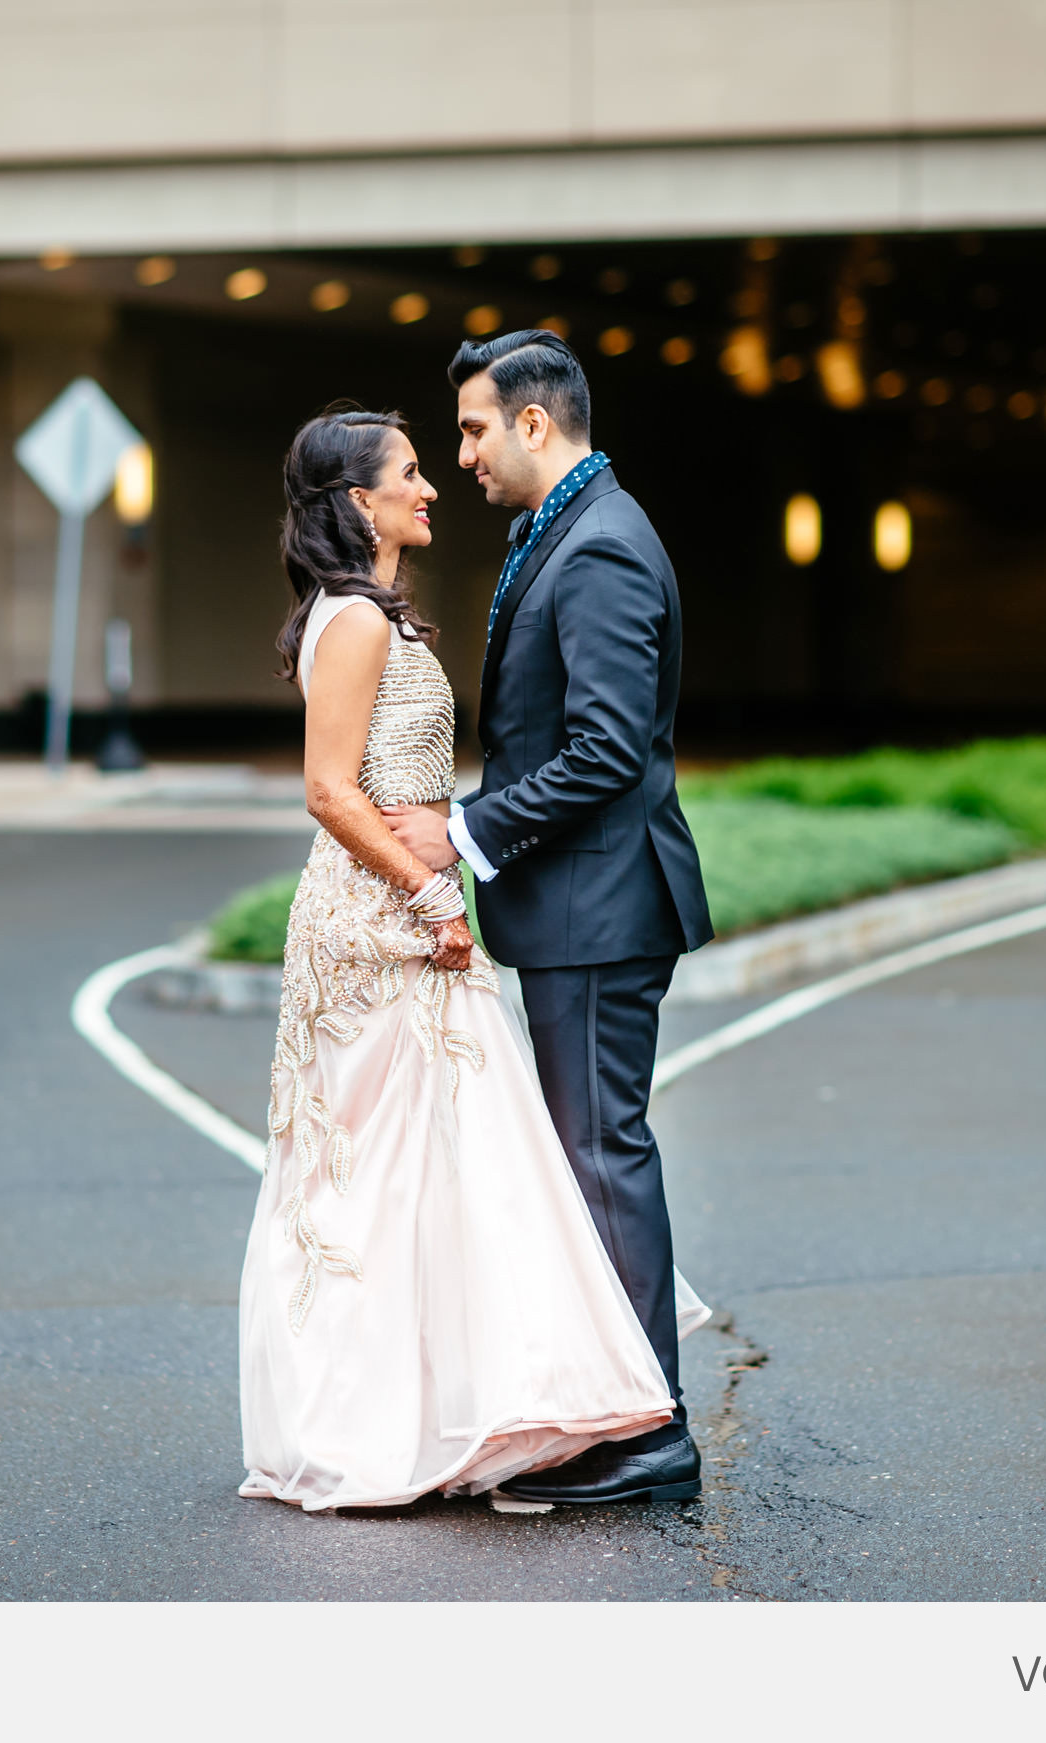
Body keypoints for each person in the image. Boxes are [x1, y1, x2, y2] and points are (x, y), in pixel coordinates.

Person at [237, 403, 706, 1512]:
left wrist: (443, 869)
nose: (435, 481)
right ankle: (378, 1422)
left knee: (438, 1178)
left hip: (413, 918)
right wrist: (431, 887)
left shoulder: (372, 612)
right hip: (378, 928)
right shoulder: (351, 621)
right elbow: (328, 789)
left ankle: (477, 1407)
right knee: (376, 1183)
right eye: (410, 469)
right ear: (358, 502)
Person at [379, 331, 715, 1507]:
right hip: (577, 906)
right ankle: (616, 1408)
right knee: (588, 1162)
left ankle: (652, 1434)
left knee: (601, 1158)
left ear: (534, 422)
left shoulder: (606, 546)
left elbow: (608, 751)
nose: (458, 453)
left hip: (601, 909)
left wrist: (468, 835)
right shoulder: (561, 528)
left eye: (472, 428)